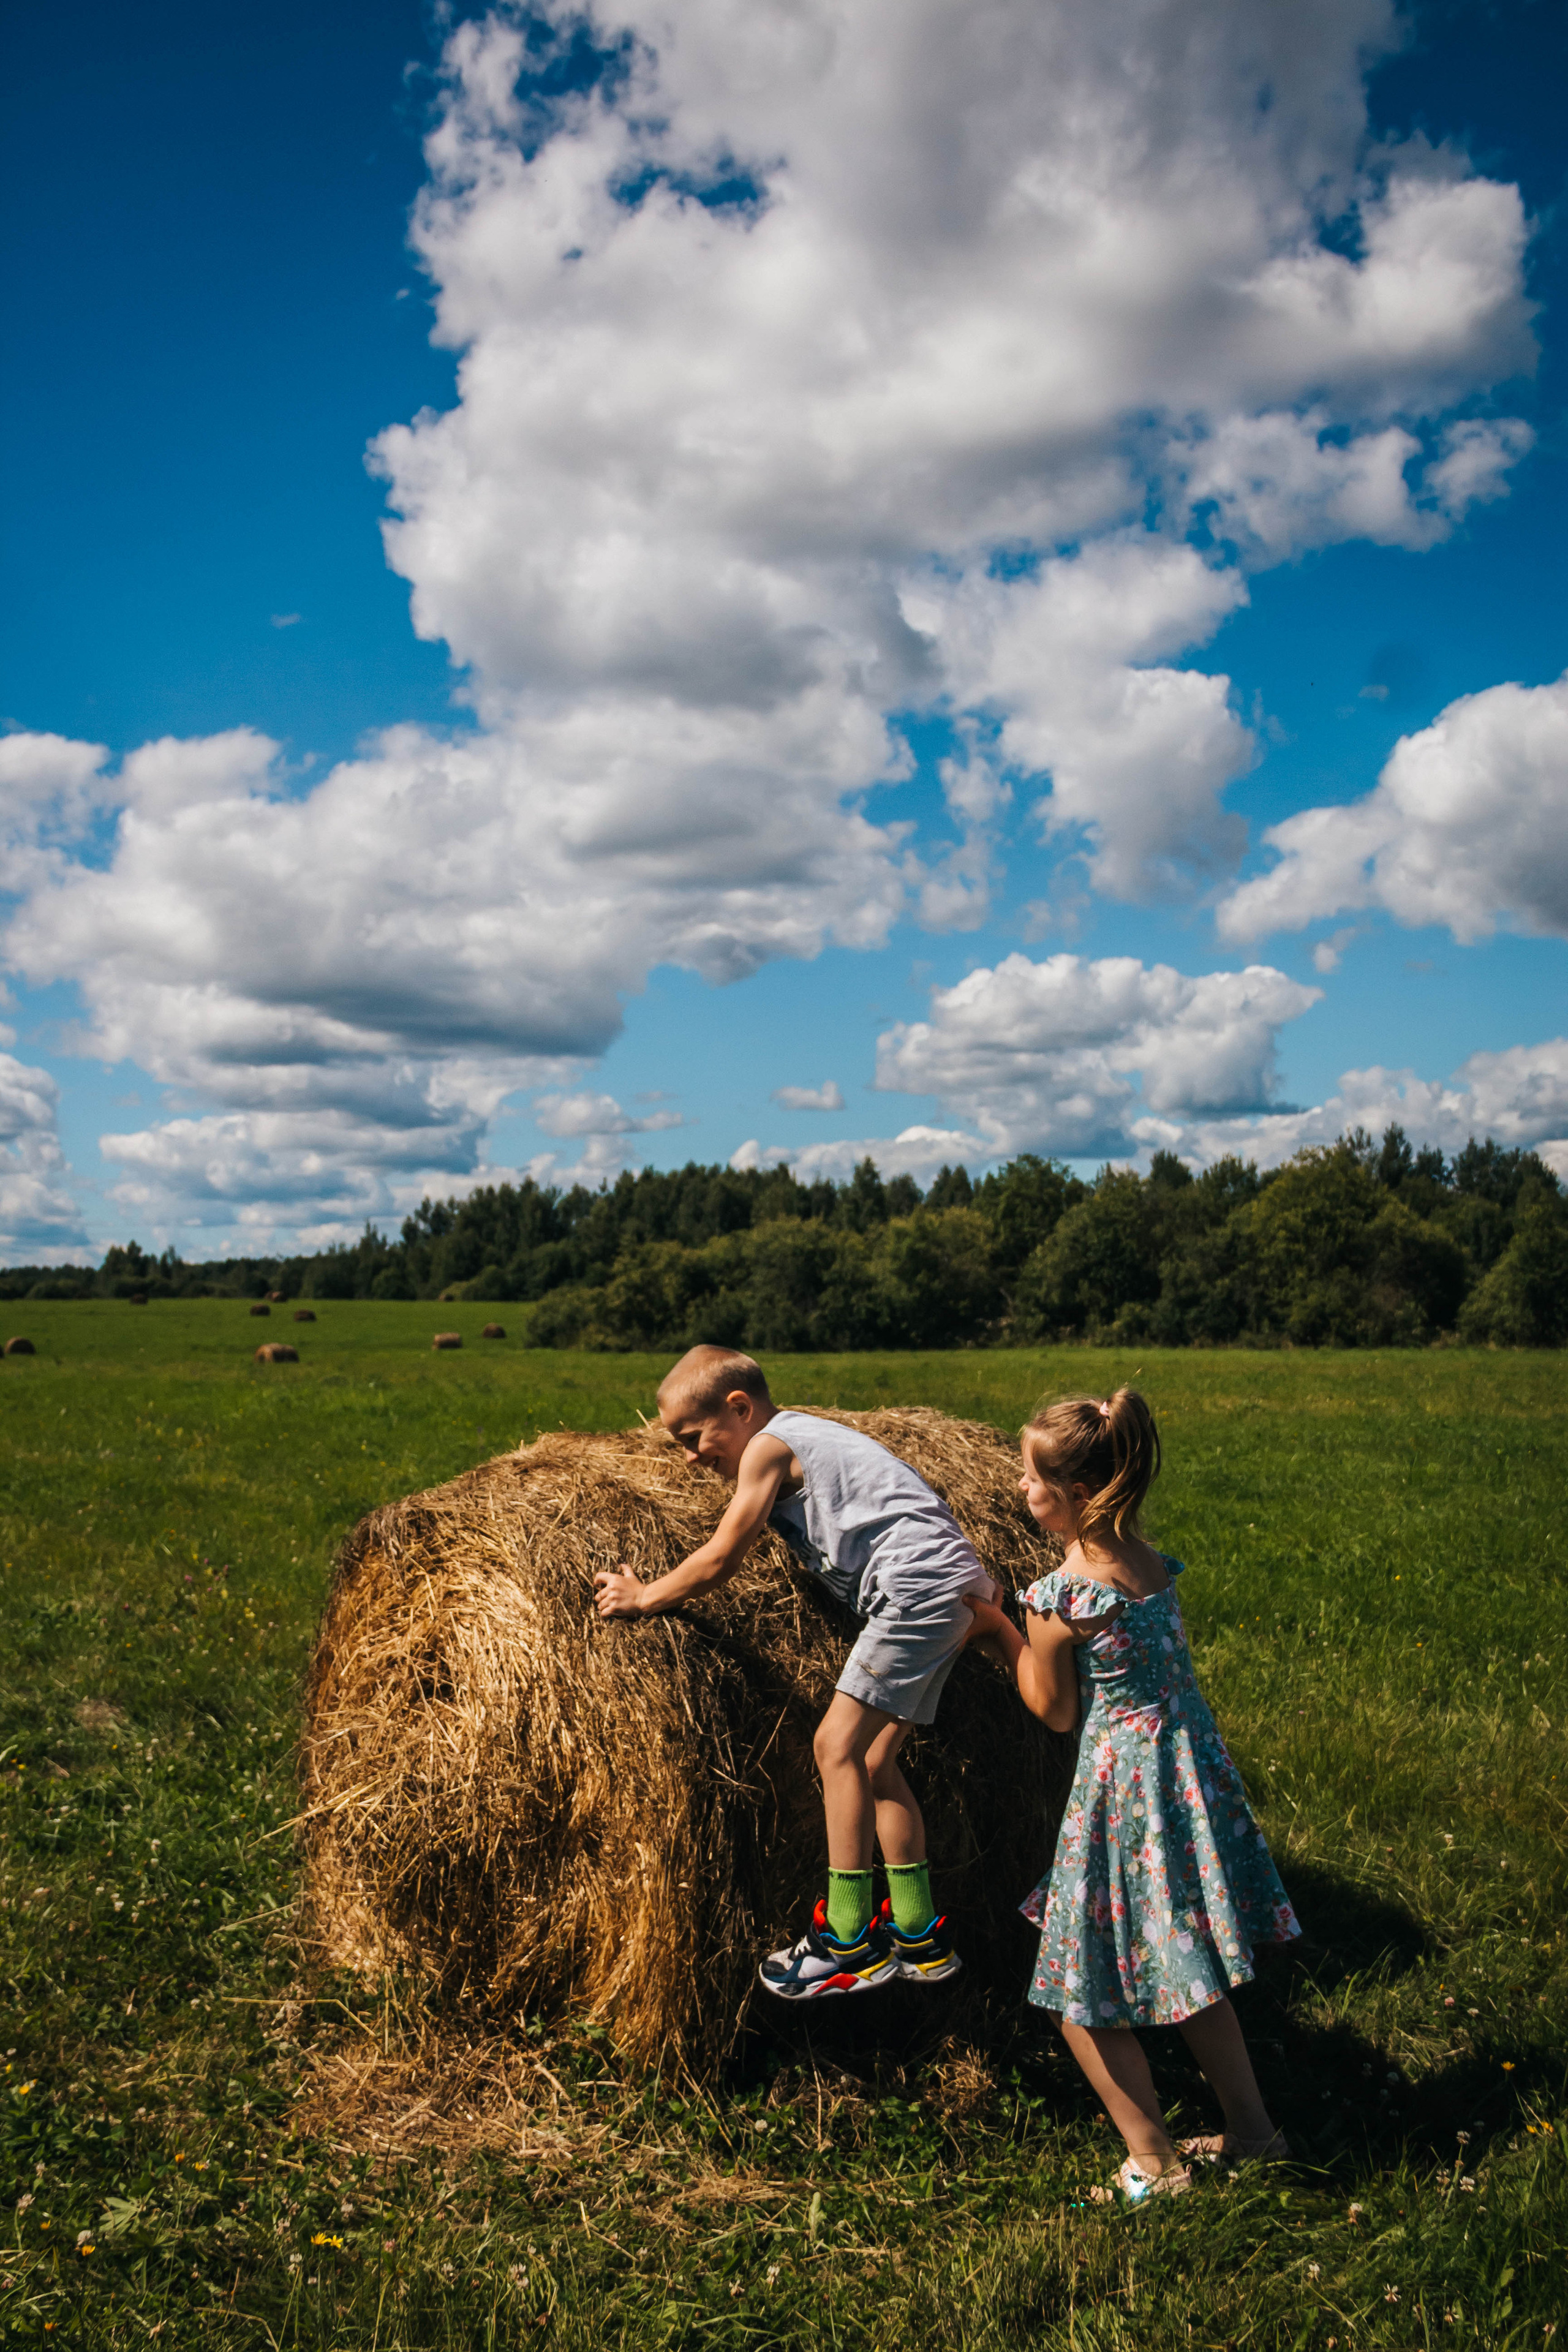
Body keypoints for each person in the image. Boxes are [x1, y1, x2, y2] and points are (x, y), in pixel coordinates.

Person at [963, 1388, 1299, 2202]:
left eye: (1031, 1478)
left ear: (1075, 1496)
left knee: (1074, 1989)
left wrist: (996, 1628)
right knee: (1189, 1971)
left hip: (1125, 1793)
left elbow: (1053, 1711)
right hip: (1187, 1778)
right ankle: (1256, 2135)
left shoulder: (1062, 1595)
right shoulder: (1146, 1560)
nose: (1019, 1489)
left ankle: (1153, 2164)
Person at [592, 1345, 998, 2000]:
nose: (692, 1459)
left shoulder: (769, 1446)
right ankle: (919, 1933)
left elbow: (724, 1554)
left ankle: (848, 1940)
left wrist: (645, 1596)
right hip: (953, 1591)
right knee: (872, 1765)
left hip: (915, 1591)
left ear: (740, 1407)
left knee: (832, 1745)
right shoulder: (807, 1435)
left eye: (694, 1439)